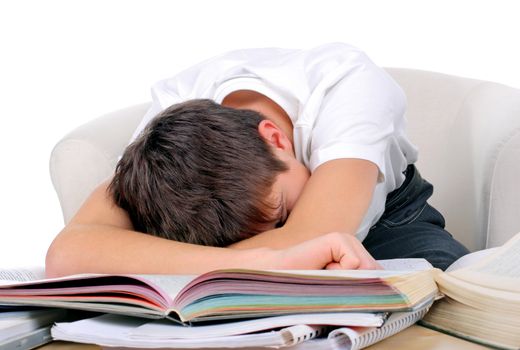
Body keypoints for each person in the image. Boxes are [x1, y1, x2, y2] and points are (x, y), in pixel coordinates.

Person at [45, 43, 469, 278]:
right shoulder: (167, 138)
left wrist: (190, 266)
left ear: (275, 138)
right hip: (238, 255)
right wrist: (243, 262)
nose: (274, 229)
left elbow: (310, 235)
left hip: (384, 223)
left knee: (452, 294)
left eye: (278, 211)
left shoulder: (348, 86)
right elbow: (67, 253)